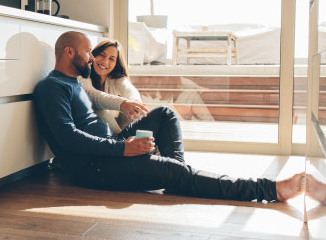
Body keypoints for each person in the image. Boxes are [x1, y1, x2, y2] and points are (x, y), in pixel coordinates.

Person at [33, 31, 305, 202]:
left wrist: (122, 142)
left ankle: (176, 176)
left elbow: (106, 102)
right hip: (93, 168)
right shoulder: (51, 87)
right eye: (88, 52)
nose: (92, 58)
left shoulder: (76, 84)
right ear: (69, 52)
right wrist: (122, 149)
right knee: (174, 171)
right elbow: (68, 139)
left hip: (109, 151)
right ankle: (269, 191)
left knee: (165, 114)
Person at [77, 40, 144, 135]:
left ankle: (130, 141)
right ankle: (123, 141)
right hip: (92, 129)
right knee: (99, 108)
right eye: (102, 55)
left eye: (111, 59)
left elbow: (129, 89)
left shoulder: (116, 78)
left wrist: (135, 103)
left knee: (165, 112)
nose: (105, 62)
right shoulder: (83, 75)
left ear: (116, 63)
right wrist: (122, 103)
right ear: (94, 55)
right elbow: (93, 95)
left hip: (115, 127)